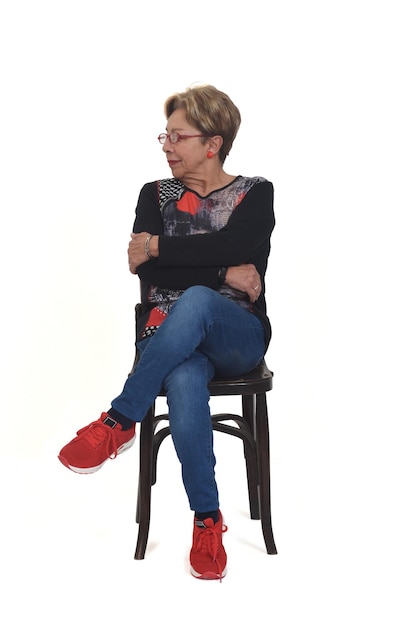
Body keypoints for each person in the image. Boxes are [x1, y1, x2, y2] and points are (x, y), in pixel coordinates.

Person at [58, 84, 275, 580]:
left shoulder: (254, 192)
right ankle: (207, 519)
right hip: (169, 339)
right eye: (166, 136)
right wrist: (221, 271)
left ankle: (118, 420)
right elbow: (147, 272)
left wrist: (166, 251)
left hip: (236, 335)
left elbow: (238, 244)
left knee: (197, 301)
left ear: (212, 143)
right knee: (182, 380)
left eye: (177, 137)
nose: (166, 146)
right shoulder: (155, 194)